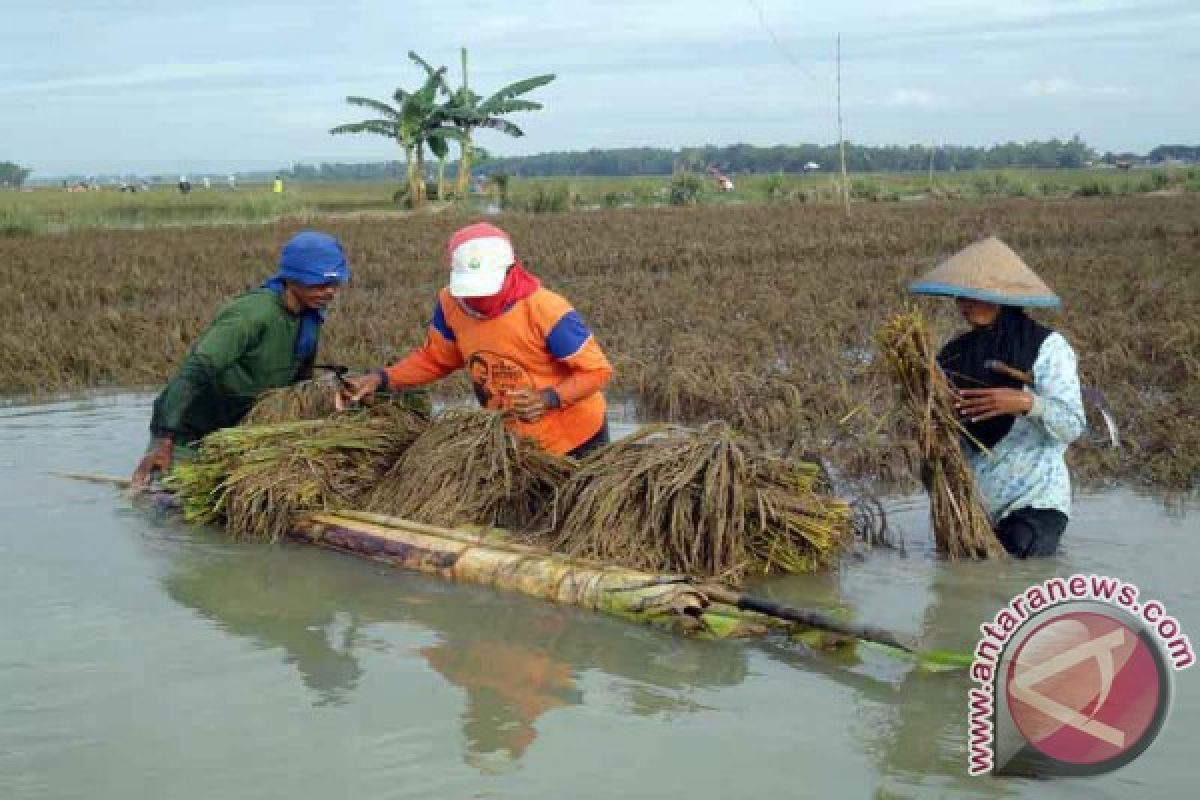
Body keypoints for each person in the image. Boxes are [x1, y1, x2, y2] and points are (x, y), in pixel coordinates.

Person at [341, 222, 612, 458]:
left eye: (485, 288)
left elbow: (597, 371)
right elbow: (436, 359)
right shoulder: (451, 303)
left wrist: (549, 398)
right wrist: (380, 379)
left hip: (575, 438)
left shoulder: (546, 310)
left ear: (511, 271)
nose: (476, 299)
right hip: (514, 442)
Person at [909, 236, 1085, 558]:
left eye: (974, 294)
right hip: (973, 509)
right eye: (960, 295)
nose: (964, 303)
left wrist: (1025, 403)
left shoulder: (1047, 347)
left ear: (1003, 297)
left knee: (1019, 580)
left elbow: (1073, 425)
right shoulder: (952, 354)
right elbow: (940, 431)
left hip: (1035, 503)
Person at [131, 231, 350, 485]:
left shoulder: (310, 317)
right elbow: (195, 372)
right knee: (165, 505)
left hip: (236, 430)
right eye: (321, 284)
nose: (330, 292)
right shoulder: (251, 315)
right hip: (190, 428)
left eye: (335, 284)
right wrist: (164, 439)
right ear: (292, 278)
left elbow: (298, 384)